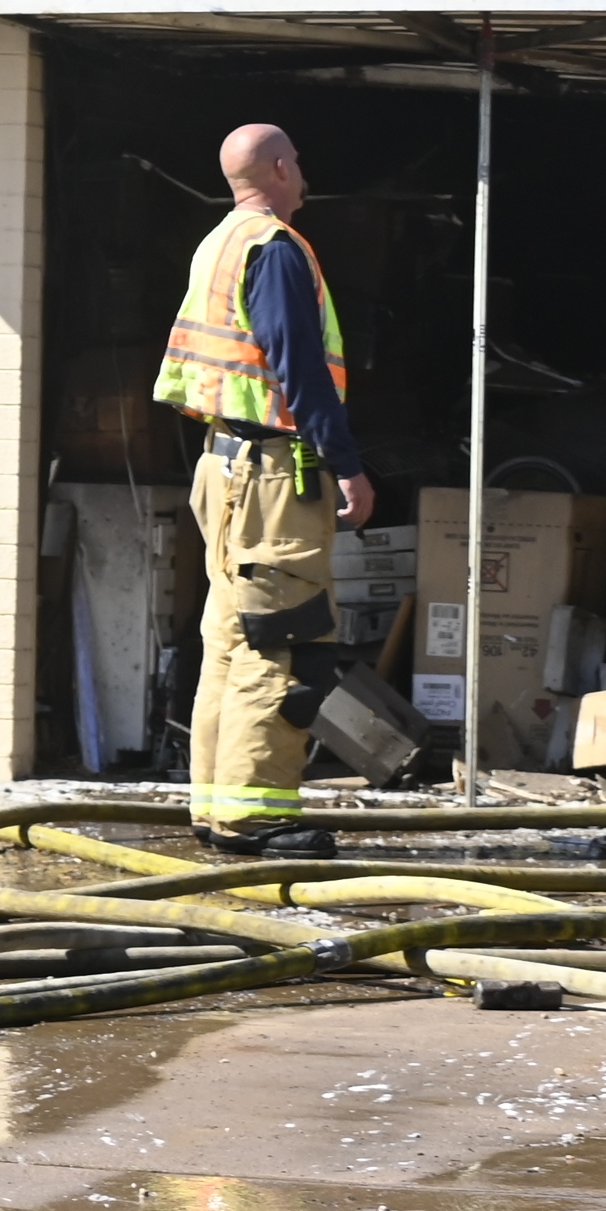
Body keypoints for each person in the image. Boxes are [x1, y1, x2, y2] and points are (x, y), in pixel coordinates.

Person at [153, 120, 376, 859]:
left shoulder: (219, 241)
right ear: (279, 168)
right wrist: (346, 464)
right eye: (297, 161)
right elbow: (298, 366)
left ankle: (217, 808)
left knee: (229, 643)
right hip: (273, 477)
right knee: (280, 646)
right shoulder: (274, 248)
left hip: (223, 470)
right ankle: (255, 818)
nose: (303, 173)